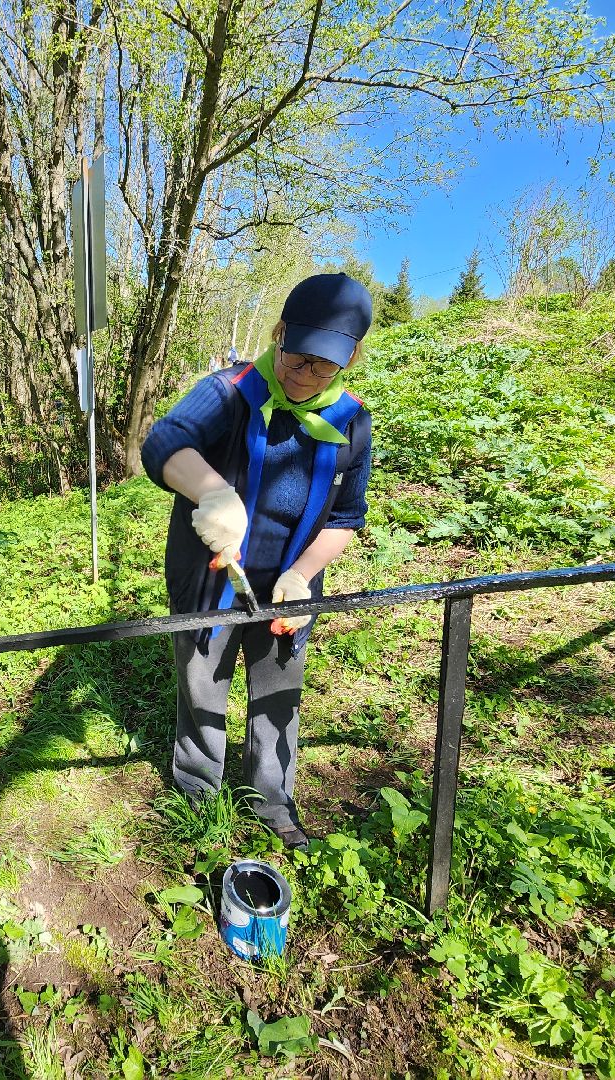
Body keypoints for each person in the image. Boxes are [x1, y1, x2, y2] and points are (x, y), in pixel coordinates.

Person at [141, 273, 374, 850]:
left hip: (287, 592)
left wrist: (302, 574)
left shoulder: (352, 422)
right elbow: (164, 441)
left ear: (348, 362)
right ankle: (199, 802)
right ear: (279, 335)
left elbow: (347, 517)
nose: (306, 375)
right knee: (202, 688)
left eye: (324, 367)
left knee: (278, 695)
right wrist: (214, 493)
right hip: (211, 579)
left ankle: (273, 803)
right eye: (297, 359)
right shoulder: (230, 390)